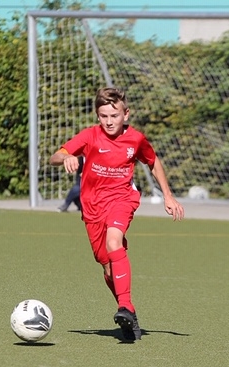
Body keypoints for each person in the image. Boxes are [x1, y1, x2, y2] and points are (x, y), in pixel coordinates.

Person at [49, 87, 185, 341]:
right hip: (92, 207)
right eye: (104, 116)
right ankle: (128, 314)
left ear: (126, 114)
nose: (109, 121)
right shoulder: (90, 136)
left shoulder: (136, 139)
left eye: (114, 115)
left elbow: (153, 161)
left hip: (122, 199)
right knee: (108, 267)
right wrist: (65, 157)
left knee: (114, 242)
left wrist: (167, 195)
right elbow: (55, 156)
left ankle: (125, 306)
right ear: (97, 116)